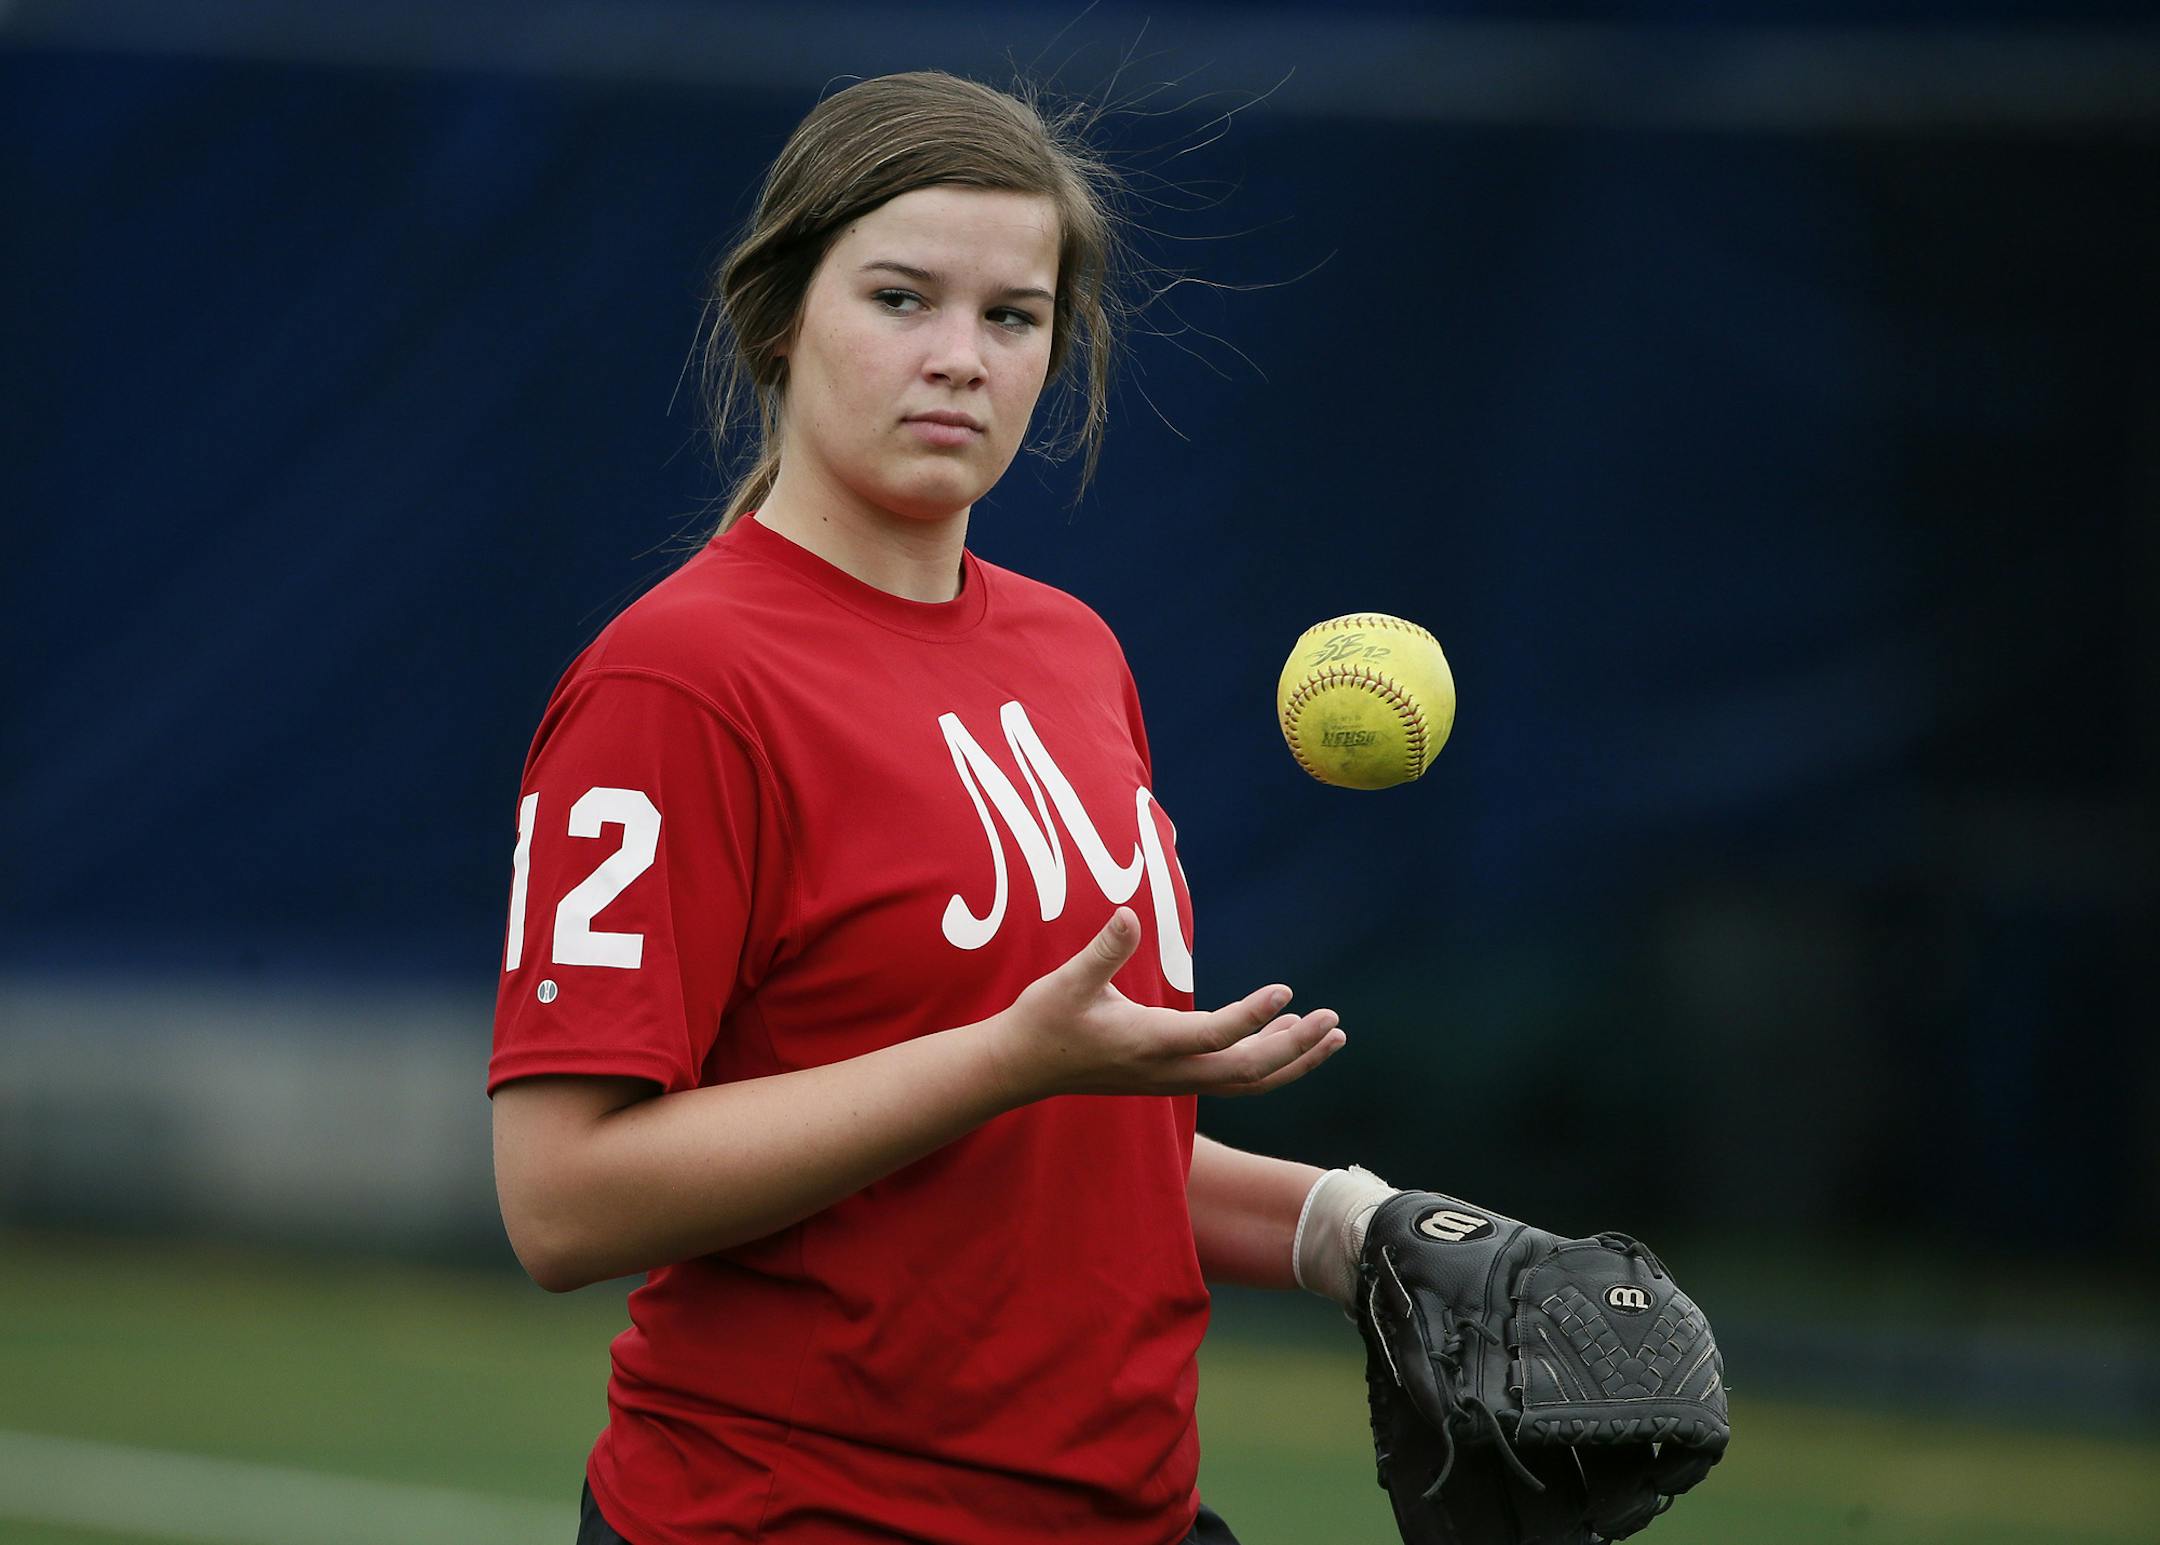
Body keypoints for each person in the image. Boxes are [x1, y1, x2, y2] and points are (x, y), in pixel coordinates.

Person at [489, 69, 1397, 1545]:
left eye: (1013, 316)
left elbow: (1064, 1158)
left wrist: (1353, 1229)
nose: (961, 358)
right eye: (903, 298)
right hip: (800, 1515)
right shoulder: (678, 679)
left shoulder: (1072, 650)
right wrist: (1000, 1057)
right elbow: (563, 1200)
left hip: (1128, 1512)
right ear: (781, 316)